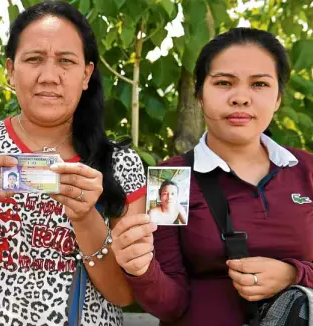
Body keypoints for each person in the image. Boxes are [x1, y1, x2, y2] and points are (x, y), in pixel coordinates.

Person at [0, 2, 147, 325]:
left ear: (86, 74)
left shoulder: (121, 164)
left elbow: (125, 294)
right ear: (11, 71)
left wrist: (85, 219)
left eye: (66, 61)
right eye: (34, 59)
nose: (49, 76)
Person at [112, 28, 313, 326]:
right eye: (223, 83)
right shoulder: (171, 178)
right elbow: (170, 304)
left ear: (278, 99)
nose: (241, 98)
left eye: (259, 84)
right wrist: (140, 269)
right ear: (200, 96)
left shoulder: (307, 170)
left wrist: (293, 274)